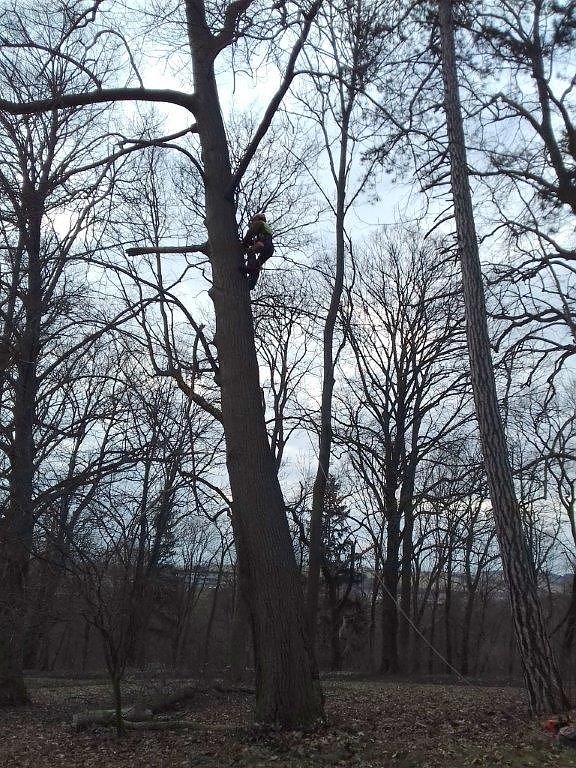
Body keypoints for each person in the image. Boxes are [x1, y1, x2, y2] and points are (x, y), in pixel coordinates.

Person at [241, 213, 274, 290]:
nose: (252, 222)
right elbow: (258, 240)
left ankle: (249, 267)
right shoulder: (265, 228)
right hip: (270, 248)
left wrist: (244, 243)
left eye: (253, 220)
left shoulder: (259, 223)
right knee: (257, 266)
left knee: (250, 251)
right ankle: (251, 283)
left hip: (264, 244)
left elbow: (250, 233)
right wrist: (251, 242)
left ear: (257, 219)